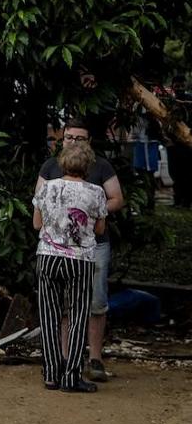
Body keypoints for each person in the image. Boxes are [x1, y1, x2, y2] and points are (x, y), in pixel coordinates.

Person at [35, 117, 125, 381]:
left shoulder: (101, 167)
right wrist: (87, 213)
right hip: (71, 252)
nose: (73, 142)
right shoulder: (50, 167)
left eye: (79, 138)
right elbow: (40, 208)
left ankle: (89, 360)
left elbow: (117, 198)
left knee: (92, 304)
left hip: (80, 251)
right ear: (63, 139)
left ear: (89, 142)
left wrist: (81, 212)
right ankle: (66, 364)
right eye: (69, 137)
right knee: (67, 309)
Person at [33, 144, 108, 392]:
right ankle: (71, 376)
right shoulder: (96, 192)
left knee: (49, 315)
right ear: (88, 167)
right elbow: (99, 230)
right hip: (80, 259)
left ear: (62, 163)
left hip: (48, 256)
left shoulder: (47, 188)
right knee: (77, 317)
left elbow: (36, 224)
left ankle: (51, 374)